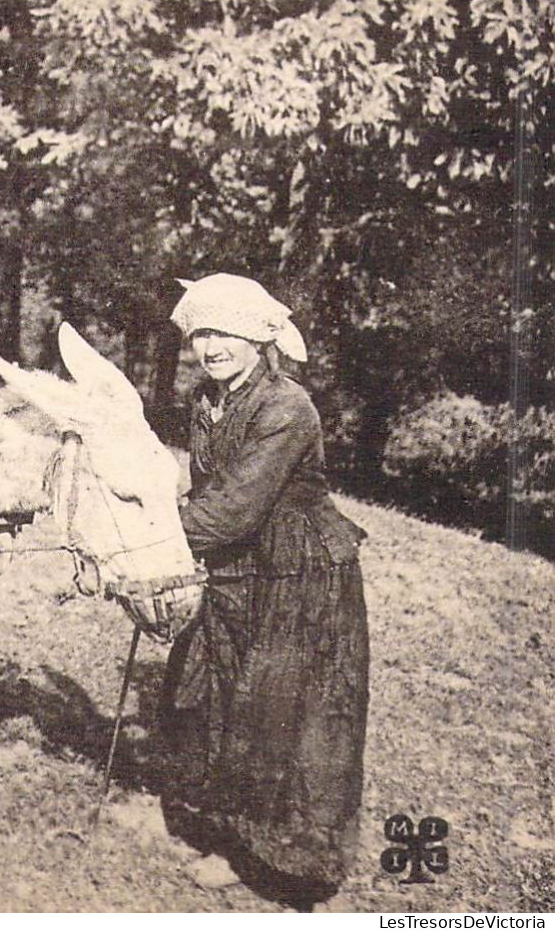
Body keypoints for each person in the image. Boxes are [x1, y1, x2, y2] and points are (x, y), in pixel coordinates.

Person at [158, 273, 370, 907]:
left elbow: (235, 512)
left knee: (280, 712)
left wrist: (146, 540)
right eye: (201, 333)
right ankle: (229, 838)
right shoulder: (207, 399)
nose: (211, 345)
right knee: (216, 693)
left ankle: (289, 863)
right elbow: (208, 493)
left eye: (224, 332)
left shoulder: (286, 407)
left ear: (256, 337)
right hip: (236, 569)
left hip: (298, 577)